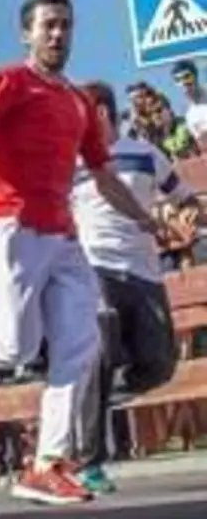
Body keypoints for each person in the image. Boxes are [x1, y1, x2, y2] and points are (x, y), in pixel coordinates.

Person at [0, 0, 160, 506]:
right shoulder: (10, 81)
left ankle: (46, 464)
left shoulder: (80, 103)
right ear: (28, 34)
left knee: (81, 344)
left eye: (65, 25)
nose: (58, 34)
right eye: (48, 26)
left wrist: (144, 219)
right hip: (10, 227)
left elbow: (103, 175)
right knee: (16, 348)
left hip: (63, 237)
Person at [69, 81, 191, 495]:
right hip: (95, 267)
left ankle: (97, 400)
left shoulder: (146, 154)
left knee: (159, 365)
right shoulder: (70, 161)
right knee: (100, 348)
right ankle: (89, 462)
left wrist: (188, 215)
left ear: (100, 114)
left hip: (144, 273)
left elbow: (184, 197)